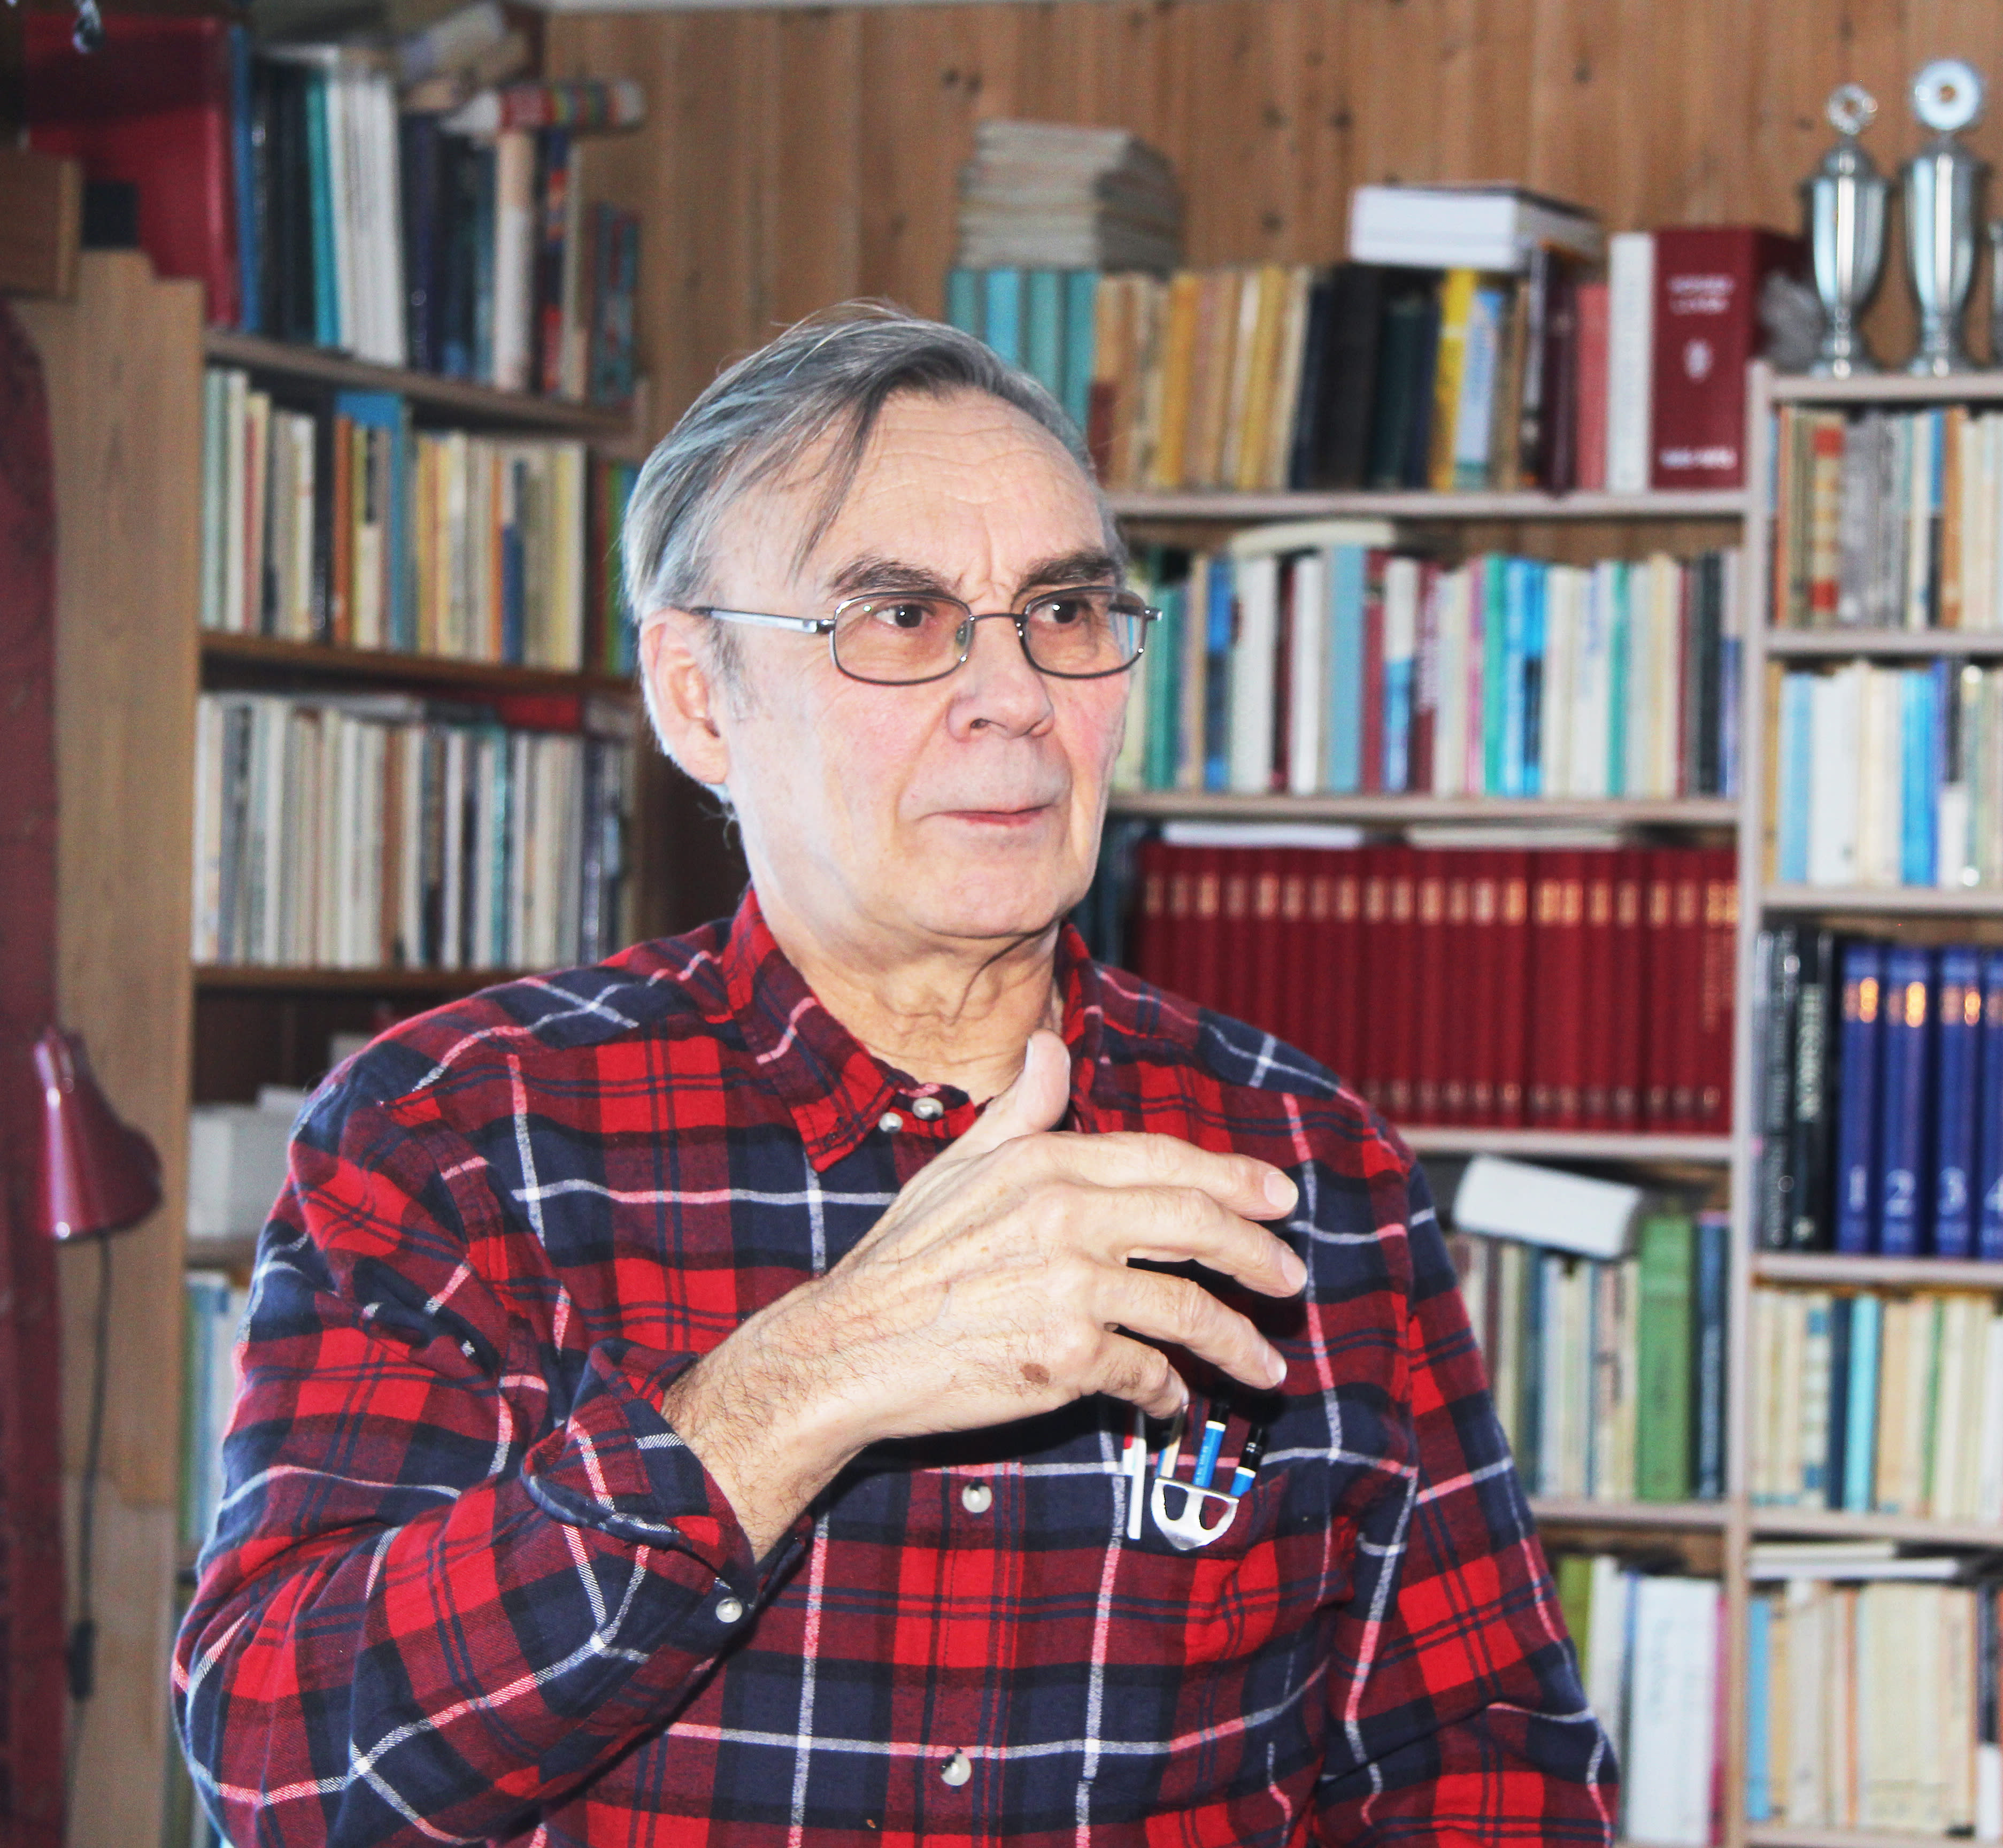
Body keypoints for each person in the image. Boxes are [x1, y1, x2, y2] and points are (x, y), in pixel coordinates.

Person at [174, 304, 1617, 1845]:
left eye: (1066, 610)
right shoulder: (459, 1132)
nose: (1016, 695)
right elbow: (282, 1767)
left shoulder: (1307, 1164)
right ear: (699, 697)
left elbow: (1490, 1768)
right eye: (905, 617)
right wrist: (799, 1386)